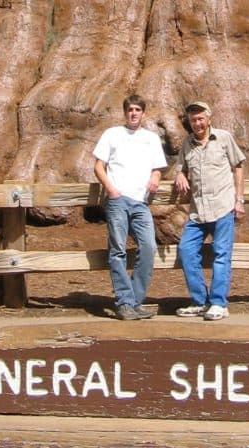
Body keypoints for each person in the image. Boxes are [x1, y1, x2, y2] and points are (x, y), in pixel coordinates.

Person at [93, 94, 167, 320]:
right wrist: (112, 191)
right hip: (118, 200)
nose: (133, 113)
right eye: (130, 110)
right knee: (118, 251)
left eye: (137, 109)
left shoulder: (151, 138)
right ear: (125, 113)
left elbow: (157, 167)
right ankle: (125, 302)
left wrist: (155, 177)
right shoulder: (112, 134)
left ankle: (134, 301)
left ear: (143, 114)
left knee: (148, 248)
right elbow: (99, 166)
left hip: (141, 202)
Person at [173, 101, 246, 321]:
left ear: (209, 118)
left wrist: (239, 199)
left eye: (200, 119)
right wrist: (179, 173)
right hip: (197, 212)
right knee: (186, 250)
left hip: (223, 207)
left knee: (221, 255)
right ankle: (199, 301)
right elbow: (180, 165)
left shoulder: (223, 138)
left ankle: (218, 303)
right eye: (193, 120)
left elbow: (239, 166)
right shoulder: (187, 143)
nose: (197, 123)